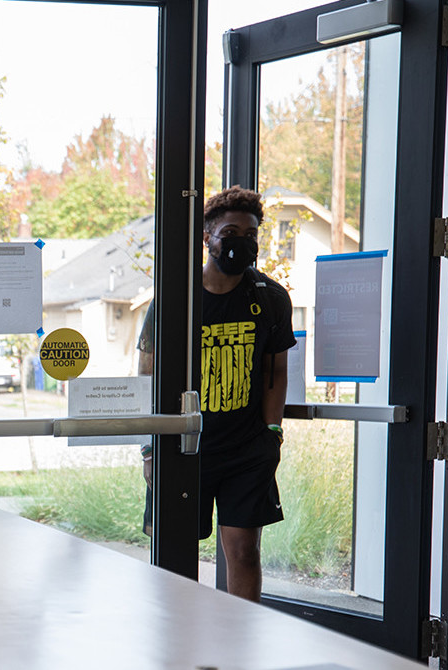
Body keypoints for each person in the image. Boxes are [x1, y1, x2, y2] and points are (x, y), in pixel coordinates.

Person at [138, 185, 296, 602]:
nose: (241, 242)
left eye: (251, 234)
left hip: (246, 450)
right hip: (182, 446)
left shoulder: (271, 298)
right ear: (207, 236)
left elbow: (275, 370)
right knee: (173, 555)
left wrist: (273, 433)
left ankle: (237, 651)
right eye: (230, 232)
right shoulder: (175, 299)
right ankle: (177, 646)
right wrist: (149, 448)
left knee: (243, 552)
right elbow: (146, 373)